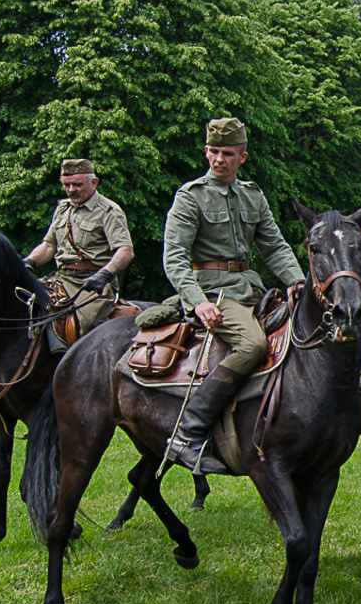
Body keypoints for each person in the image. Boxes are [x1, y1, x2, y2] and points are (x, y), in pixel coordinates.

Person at [162, 118, 306, 474]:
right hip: (214, 291)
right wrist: (198, 301)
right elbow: (175, 256)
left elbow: (273, 245)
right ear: (206, 152)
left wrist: (298, 281)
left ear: (242, 157)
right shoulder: (191, 196)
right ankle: (188, 433)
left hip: (251, 288)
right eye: (214, 151)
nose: (219, 159)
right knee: (252, 345)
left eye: (228, 153)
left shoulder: (252, 195)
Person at [23, 158, 134, 352]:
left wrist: (105, 274)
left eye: (77, 184)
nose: (71, 189)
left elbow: (125, 250)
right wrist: (28, 262)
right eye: (66, 185)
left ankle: (78, 367)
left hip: (92, 284)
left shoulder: (108, 211)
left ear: (94, 182)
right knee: (27, 305)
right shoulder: (62, 209)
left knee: (84, 322)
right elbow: (49, 246)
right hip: (61, 279)